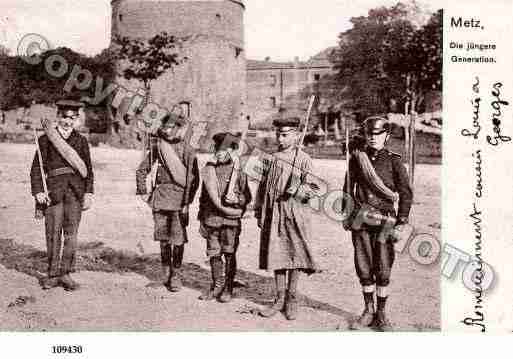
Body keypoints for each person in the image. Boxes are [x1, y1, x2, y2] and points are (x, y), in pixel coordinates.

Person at [342, 115, 413, 331]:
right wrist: (348, 213)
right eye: (369, 134)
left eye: (378, 134)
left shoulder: (394, 160)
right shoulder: (357, 159)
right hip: (361, 221)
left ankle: (381, 313)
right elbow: (347, 189)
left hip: (385, 221)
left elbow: (406, 194)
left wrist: (401, 220)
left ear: (386, 136)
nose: (373, 138)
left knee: (383, 269)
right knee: (363, 267)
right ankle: (368, 310)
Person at [253, 117, 320, 320]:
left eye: (285, 135)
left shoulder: (303, 159)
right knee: (277, 254)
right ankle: (279, 298)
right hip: (273, 212)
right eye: (278, 134)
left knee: (295, 253)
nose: (281, 139)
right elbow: (262, 187)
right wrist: (258, 210)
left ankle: (292, 297)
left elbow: (315, 188)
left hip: (295, 213)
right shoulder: (271, 158)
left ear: (296, 135)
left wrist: (299, 189)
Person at [30, 99, 94, 291]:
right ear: (58, 117)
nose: (68, 121)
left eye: (72, 118)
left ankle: (66, 273)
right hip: (53, 192)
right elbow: (36, 169)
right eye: (65, 117)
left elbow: (88, 170)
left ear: (77, 120)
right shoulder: (45, 139)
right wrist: (38, 191)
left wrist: (89, 192)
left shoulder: (81, 141)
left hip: (75, 192)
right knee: (53, 234)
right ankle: (52, 274)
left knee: (71, 236)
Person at [136, 114, 199, 292]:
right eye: (166, 127)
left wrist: (187, 203)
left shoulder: (188, 150)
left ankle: (175, 275)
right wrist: (142, 190)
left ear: (179, 129)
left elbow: (193, 181)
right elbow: (142, 170)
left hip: (179, 201)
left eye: (172, 127)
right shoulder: (158, 147)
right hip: (161, 198)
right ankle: (165, 274)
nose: (168, 130)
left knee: (178, 240)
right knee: (163, 239)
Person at [197, 132, 251, 302]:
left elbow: (247, 197)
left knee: (229, 253)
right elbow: (204, 197)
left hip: (230, 221)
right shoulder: (209, 169)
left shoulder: (239, 171)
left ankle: (228, 288)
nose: (218, 154)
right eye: (216, 150)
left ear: (231, 151)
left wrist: (237, 199)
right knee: (213, 253)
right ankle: (217, 285)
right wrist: (201, 220)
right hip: (211, 219)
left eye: (222, 151)